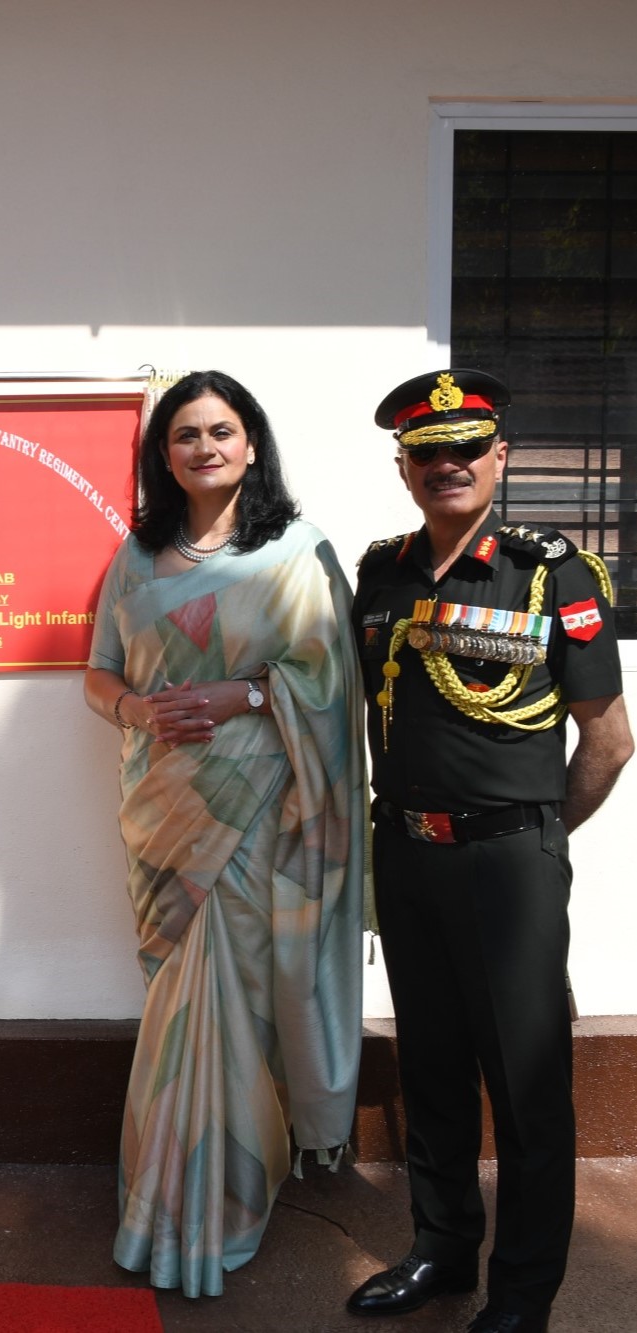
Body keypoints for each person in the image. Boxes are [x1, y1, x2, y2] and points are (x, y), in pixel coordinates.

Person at [345, 370, 630, 1333]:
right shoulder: (379, 571)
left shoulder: (551, 571)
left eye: (467, 448)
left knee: (525, 1086)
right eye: (427, 453)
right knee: (429, 1065)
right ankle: (441, 1247)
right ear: (402, 468)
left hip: (508, 863)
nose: (447, 465)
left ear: (498, 457)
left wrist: (536, 837)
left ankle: (519, 1297)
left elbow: (606, 739)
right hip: (407, 854)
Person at [82, 370, 365, 1298]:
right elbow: (99, 678)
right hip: (165, 815)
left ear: (251, 444)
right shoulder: (136, 554)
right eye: (184, 434)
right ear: (161, 453)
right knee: (175, 1004)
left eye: (221, 430)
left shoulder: (296, 550)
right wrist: (137, 710)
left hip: (259, 815)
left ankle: (227, 1200)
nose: (203, 447)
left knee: (240, 1002)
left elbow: (332, 685)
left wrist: (242, 693)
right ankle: (160, 1198)